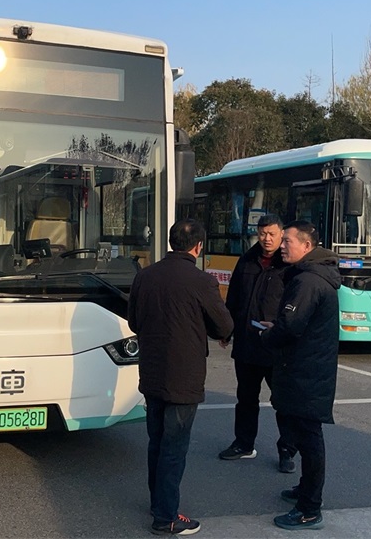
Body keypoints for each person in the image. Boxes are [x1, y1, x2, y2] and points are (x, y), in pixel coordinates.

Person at [128, 219, 234, 536]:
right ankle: (166, 516)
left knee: (157, 442)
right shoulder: (202, 281)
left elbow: (133, 321)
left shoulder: (145, 276)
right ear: (198, 246)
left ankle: (157, 502)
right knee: (174, 447)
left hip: (152, 371)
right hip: (183, 376)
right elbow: (224, 325)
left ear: (171, 242)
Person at [258, 220, 340, 531]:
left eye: (287, 241)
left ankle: (309, 509)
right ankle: (305, 490)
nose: (281, 246)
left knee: (309, 438)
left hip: (307, 373)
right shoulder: (310, 276)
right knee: (305, 437)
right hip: (306, 370)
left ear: (306, 246)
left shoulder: (308, 281)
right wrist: (278, 326)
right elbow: (294, 323)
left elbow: (291, 326)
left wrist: (269, 335)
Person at [217, 214, 297, 473]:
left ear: (281, 233)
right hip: (247, 344)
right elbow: (233, 299)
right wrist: (226, 330)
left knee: (283, 402)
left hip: (276, 346)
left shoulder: (289, 264)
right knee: (246, 398)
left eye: (272, 234)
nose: (267, 239)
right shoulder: (247, 261)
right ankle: (243, 444)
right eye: (262, 233)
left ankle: (287, 450)